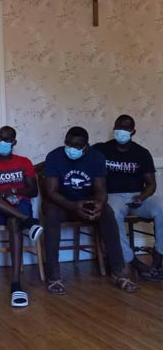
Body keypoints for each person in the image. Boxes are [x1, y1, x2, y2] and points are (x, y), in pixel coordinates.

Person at [42, 126, 138, 294]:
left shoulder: (96, 157)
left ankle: (119, 273)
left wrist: (99, 203)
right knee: (50, 214)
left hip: (86, 203)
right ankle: (54, 276)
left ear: (86, 146)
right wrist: (73, 206)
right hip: (61, 204)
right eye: (69, 144)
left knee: (108, 213)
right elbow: (51, 192)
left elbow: (101, 190)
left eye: (77, 146)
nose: (72, 148)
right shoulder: (54, 156)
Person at [0, 126, 43, 307]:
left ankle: (16, 285)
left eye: (7, 139)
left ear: (14, 142)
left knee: (14, 221)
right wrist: (0, 196)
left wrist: (12, 190)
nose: (2, 142)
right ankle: (29, 222)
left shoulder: (24, 162)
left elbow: (33, 191)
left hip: (20, 205)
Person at [93, 114, 163, 281]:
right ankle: (131, 260)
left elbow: (151, 184)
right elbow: (81, 156)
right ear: (114, 129)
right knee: (112, 214)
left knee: (161, 207)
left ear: (133, 131)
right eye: (118, 127)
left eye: (126, 128)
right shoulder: (101, 149)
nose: (121, 131)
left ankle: (158, 256)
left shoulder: (142, 153)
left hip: (138, 196)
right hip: (112, 196)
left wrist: (141, 197)